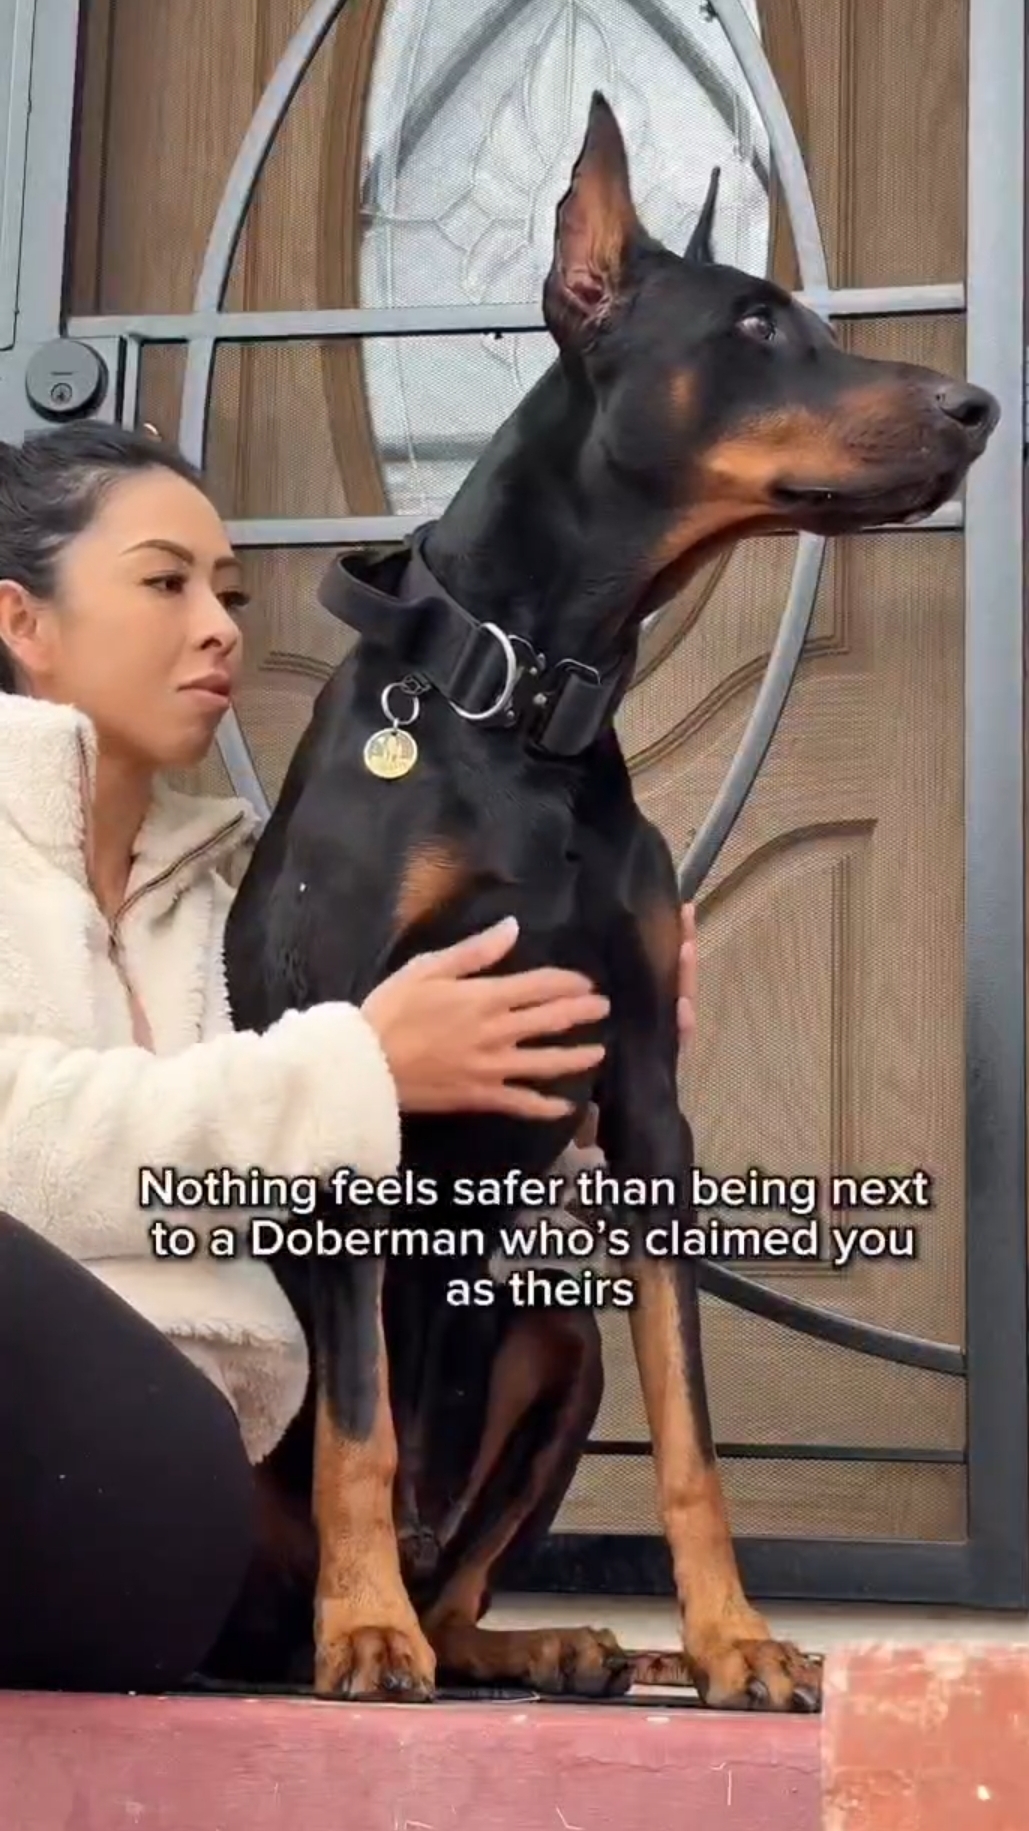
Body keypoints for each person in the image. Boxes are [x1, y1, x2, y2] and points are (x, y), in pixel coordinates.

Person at [0, 418, 697, 1695]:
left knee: (523, 1312)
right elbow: (21, 1143)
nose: (219, 627)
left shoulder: (242, 897)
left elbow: (376, 1184)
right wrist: (356, 1068)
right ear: (20, 619)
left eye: (229, 593)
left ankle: (447, 1613)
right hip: (51, 1465)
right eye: (166, 583)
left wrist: (564, 1063)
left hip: (221, 1496)